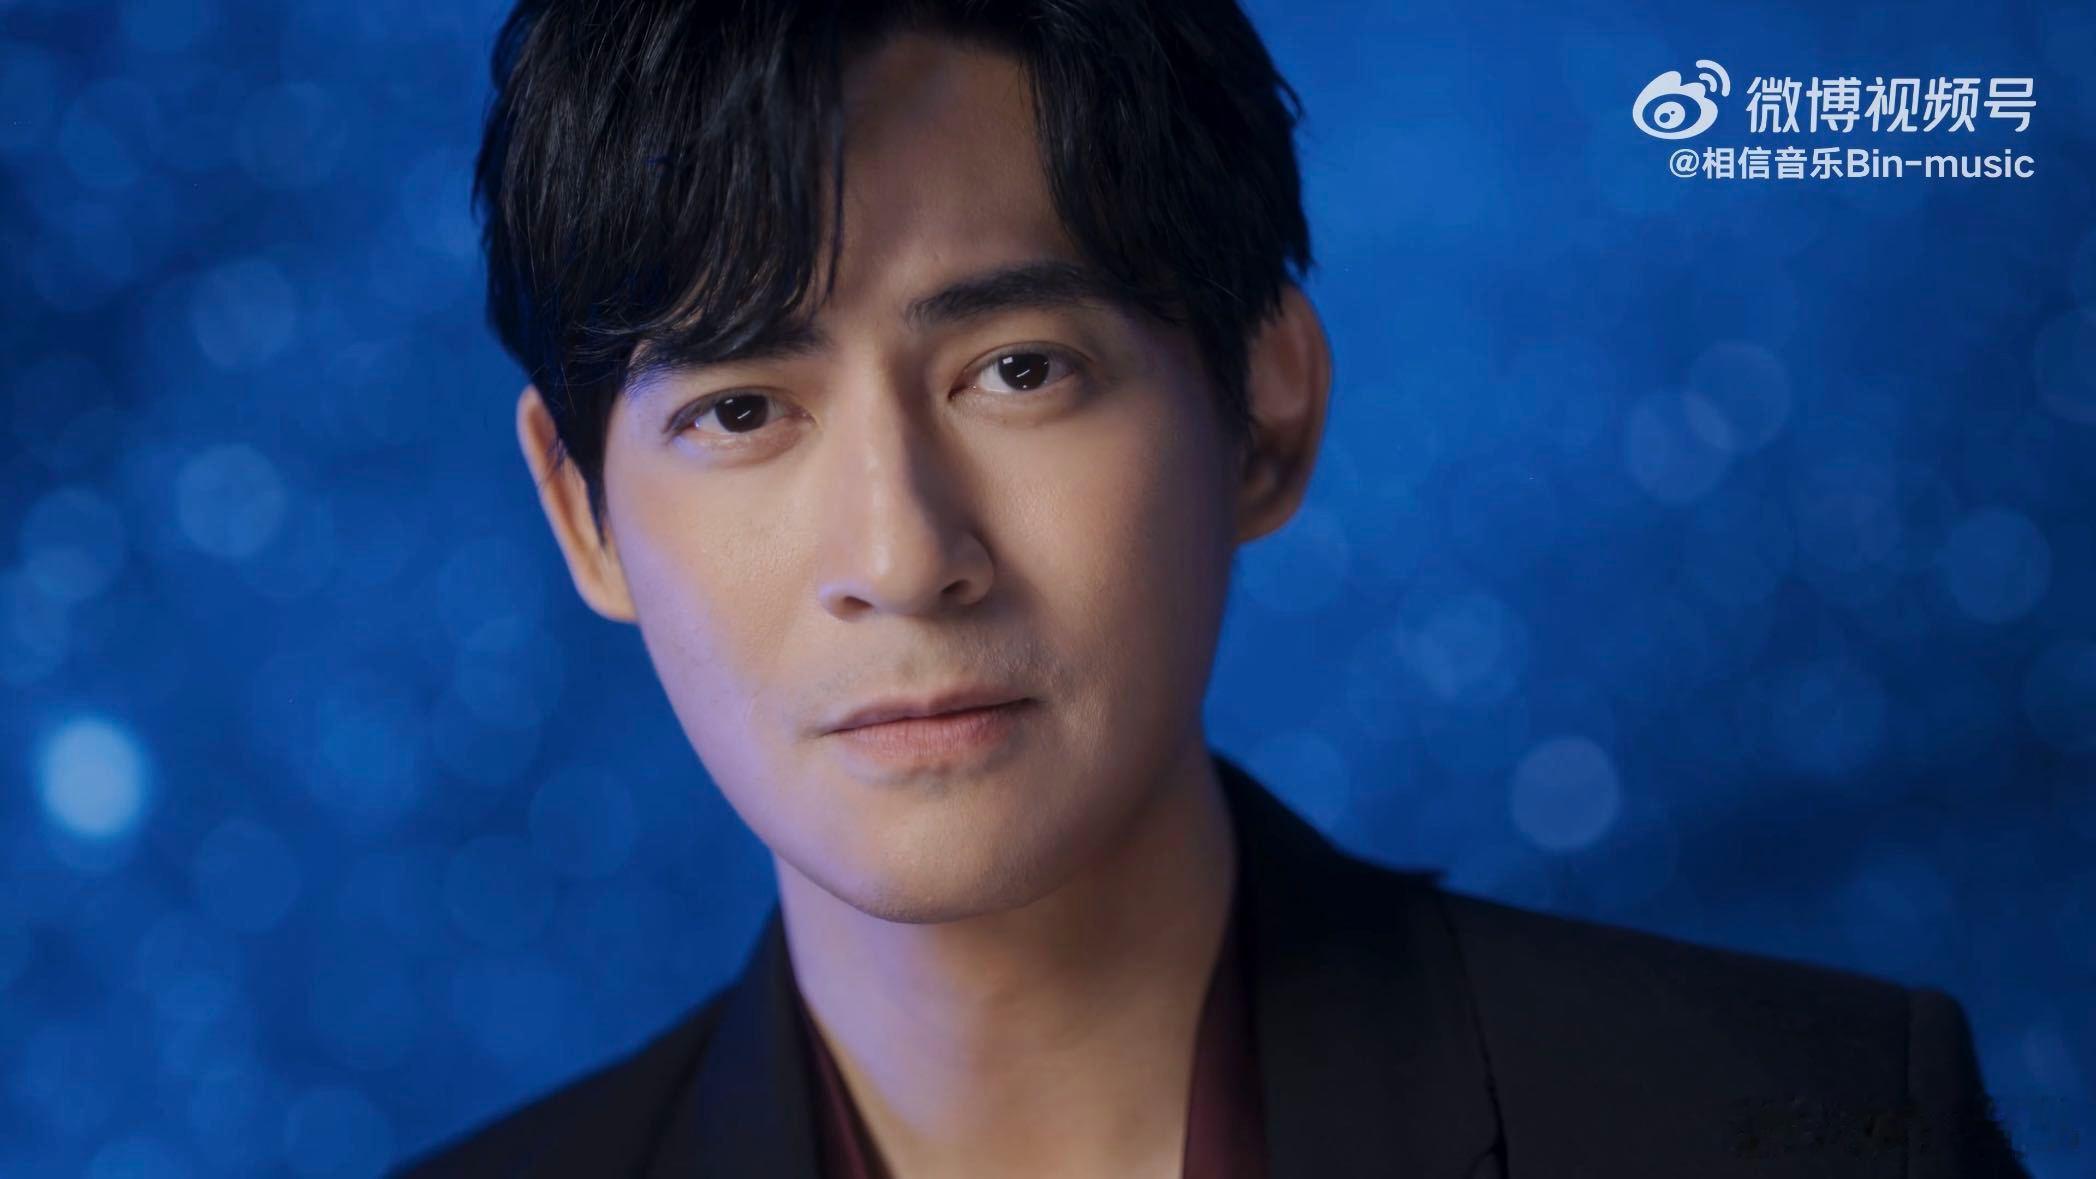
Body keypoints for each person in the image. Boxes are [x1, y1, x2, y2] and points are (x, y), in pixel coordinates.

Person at [395, 1, 2030, 1175]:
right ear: (582, 512)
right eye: (743, 409)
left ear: (1264, 408)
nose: (899, 557)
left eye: (1020, 369)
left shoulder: (1820, 1128)